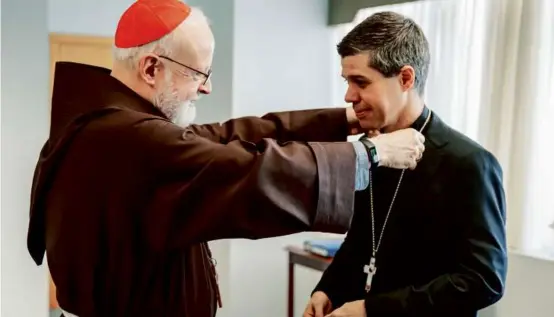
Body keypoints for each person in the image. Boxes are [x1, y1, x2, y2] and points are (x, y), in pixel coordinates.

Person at [27, 1, 426, 317]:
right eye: (199, 73)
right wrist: (369, 153)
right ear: (151, 68)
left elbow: (226, 137)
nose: (206, 88)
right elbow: (249, 171)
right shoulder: (128, 140)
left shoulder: (115, 126)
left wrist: (340, 121)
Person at [303, 11, 508, 317]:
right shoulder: (369, 152)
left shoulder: (471, 164)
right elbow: (361, 241)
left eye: (361, 82)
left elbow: (483, 280)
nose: (349, 96)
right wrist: (327, 289)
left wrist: (372, 309)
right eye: (347, 81)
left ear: (405, 78)